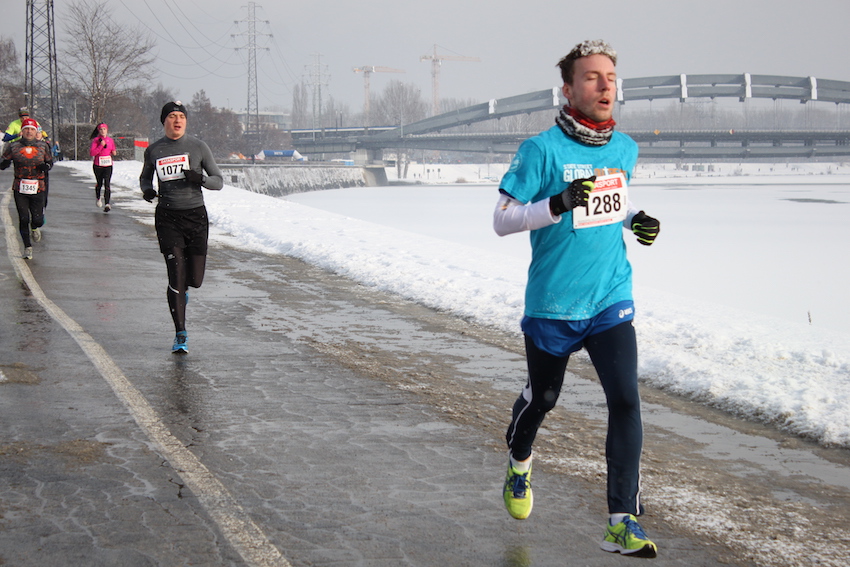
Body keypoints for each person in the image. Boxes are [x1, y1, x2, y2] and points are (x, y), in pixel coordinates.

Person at [494, 40, 661, 558]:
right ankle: (519, 460)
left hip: (610, 297)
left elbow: (614, 199)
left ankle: (621, 521)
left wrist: (636, 220)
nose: (606, 85)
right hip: (553, 303)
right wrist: (557, 203)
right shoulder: (540, 150)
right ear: (567, 90)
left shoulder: (624, 149)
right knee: (543, 399)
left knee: (626, 399)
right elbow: (502, 219)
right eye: (592, 77)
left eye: (611, 77)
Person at [139, 101, 223, 354]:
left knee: (194, 280)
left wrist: (201, 179)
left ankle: (182, 291)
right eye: (172, 116)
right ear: (164, 121)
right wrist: (147, 190)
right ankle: (180, 333)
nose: (177, 121)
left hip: (196, 217)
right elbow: (145, 178)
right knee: (176, 275)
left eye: (181, 117)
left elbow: (218, 181)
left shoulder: (198, 147)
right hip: (167, 218)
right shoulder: (154, 150)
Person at [0, 117, 53, 260]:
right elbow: (3, 161)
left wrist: (46, 166)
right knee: (23, 218)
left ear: (36, 132)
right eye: (26, 129)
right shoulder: (14, 146)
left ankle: (35, 227)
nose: (29, 132)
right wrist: (4, 163)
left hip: (38, 187)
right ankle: (27, 247)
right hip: (20, 187)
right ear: (22, 131)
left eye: (32, 129)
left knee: (38, 219)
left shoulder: (42, 146)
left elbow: (50, 162)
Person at [90, 123, 117, 212]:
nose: (103, 131)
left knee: (107, 183)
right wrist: (101, 145)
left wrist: (113, 152)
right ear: (98, 131)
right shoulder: (96, 140)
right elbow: (92, 153)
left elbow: (113, 150)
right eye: (101, 129)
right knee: (99, 183)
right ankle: (98, 198)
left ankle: (107, 204)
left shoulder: (110, 140)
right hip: (98, 165)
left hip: (108, 165)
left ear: (107, 130)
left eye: (104, 129)